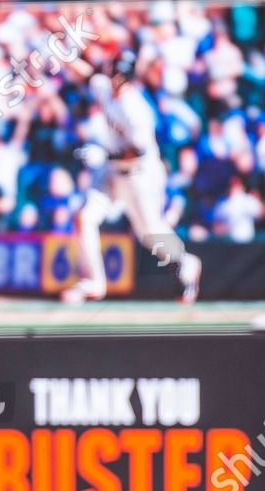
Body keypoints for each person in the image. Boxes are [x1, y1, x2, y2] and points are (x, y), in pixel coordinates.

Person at [64, 46, 202, 304]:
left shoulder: (137, 108)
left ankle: (186, 262)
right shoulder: (104, 87)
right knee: (84, 218)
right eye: (112, 71)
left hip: (141, 174)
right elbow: (87, 74)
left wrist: (104, 156)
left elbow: (137, 151)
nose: (113, 77)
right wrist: (63, 54)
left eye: (118, 74)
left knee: (150, 236)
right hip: (113, 171)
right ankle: (93, 282)